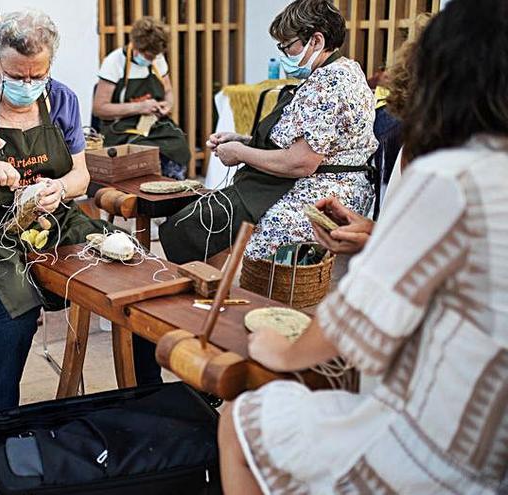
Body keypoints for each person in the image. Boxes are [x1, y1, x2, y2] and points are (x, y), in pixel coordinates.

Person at [218, 0, 508, 492]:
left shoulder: (452, 176)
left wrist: (282, 353)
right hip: (489, 442)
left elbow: (357, 315)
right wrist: (375, 235)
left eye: (288, 45)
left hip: (440, 448)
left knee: (242, 418)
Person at [0, 9, 163, 414]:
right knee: (16, 304)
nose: (27, 85)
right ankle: (1, 422)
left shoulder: (61, 99)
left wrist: (58, 189)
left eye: (36, 75)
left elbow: (79, 175)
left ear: (49, 66)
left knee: (133, 266)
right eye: (16, 75)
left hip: (46, 216)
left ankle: (152, 399)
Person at [160, 0, 377, 263]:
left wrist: (241, 153)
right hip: (317, 181)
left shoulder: (329, 82)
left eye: (287, 46)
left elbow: (301, 162)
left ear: (316, 40)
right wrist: (243, 141)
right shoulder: (345, 70)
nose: (284, 53)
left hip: (322, 192)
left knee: (207, 224)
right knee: (204, 218)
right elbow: (309, 141)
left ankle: (212, 293)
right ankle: (210, 288)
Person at [312, 13, 432, 256]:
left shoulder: (463, 164)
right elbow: (412, 232)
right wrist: (367, 227)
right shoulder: (411, 134)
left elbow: (446, 254)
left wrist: (372, 242)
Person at [93, 17, 190, 179]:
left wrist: (167, 105)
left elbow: (168, 92)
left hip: (154, 123)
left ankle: (173, 190)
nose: (152, 60)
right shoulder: (114, 62)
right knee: (142, 151)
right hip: (120, 128)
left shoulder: (158, 59)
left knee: (177, 142)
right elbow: (100, 108)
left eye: (155, 56)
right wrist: (139, 107)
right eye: (149, 56)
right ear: (136, 46)